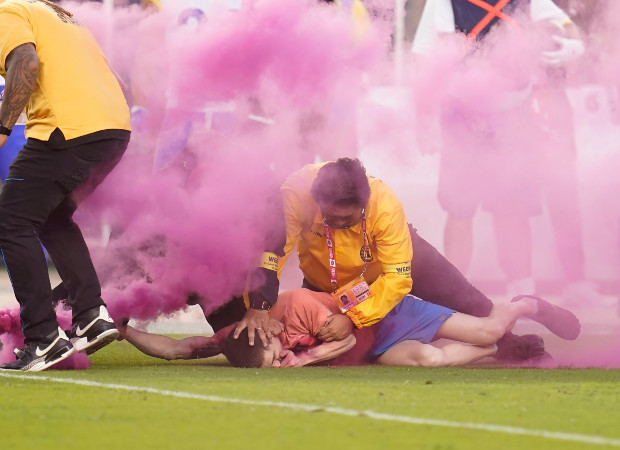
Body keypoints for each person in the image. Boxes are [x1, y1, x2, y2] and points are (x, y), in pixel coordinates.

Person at [278, 158, 581, 361]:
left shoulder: (385, 205)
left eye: (347, 219)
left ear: (364, 203)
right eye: (331, 218)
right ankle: (500, 343)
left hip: (397, 265)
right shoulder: (296, 193)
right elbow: (275, 252)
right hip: (328, 283)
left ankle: (520, 322)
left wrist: (353, 318)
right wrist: (259, 308)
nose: (340, 225)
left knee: (478, 308)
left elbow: (397, 278)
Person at [411, 0, 588, 299]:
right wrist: (422, 117)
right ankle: (454, 297)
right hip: (462, 115)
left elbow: (565, 24)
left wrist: (573, 45)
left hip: (514, 115)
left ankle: (524, 294)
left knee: (513, 207)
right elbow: (423, 57)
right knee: (460, 208)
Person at [0, 0, 131, 371]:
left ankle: (42, 338)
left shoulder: (7, 10)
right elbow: (116, 79)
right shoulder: (57, 16)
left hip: (68, 130)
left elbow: (25, 62)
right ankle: (90, 315)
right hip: (113, 130)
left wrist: (2, 128)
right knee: (52, 218)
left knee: (12, 219)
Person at [116, 287, 566, 368]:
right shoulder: (239, 337)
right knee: (428, 359)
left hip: (386, 316)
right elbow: (178, 349)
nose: (283, 360)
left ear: (271, 332)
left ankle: (524, 304)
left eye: (278, 356)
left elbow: (345, 337)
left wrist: (303, 358)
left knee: (488, 328)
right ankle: (504, 353)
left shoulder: (293, 306)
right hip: (376, 350)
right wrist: (124, 331)